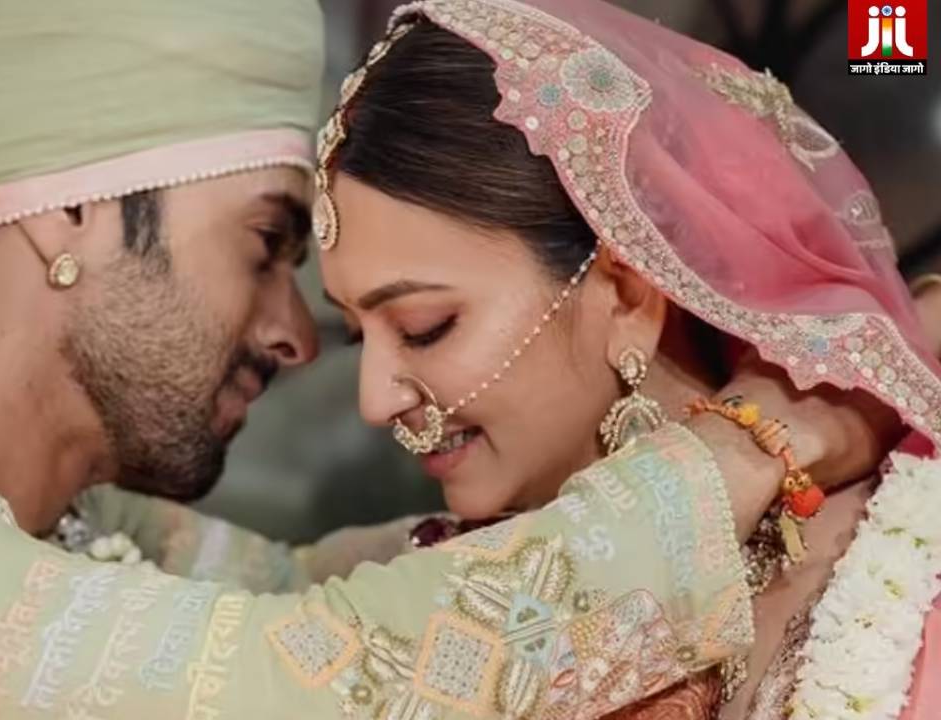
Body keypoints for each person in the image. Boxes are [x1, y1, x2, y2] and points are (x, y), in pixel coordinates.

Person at [0, 2, 902, 720]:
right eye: (263, 245)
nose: (296, 338)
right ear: (69, 211)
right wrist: (762, 434)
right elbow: (297, 681)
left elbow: (338, 587)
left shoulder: (48, 523)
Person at [314, 0, 941, 718]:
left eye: (425, 327)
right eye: (357, 335)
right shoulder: (424, 601)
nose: (373, 401)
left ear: (627, 292)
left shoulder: (908, 564)